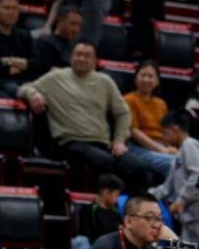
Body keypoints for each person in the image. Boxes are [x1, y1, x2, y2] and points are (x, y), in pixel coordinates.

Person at [17, 40, 152, 192]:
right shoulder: (55, 77)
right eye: (78, 54)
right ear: (71, 57)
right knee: (103, 161)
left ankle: (133, 204)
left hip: (103, 143)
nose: (82, 58)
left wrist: (119, 140)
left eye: (87, 56)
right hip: (70, 142)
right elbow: (23, 88)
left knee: (140, 167)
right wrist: (32, 93)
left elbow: (123, 113)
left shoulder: (105, 81)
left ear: (95, 61)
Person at [157, 110, 199, 244]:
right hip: (191, 214)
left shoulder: (190, 145)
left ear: (174, 129)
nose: (164, 138)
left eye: (165, 133)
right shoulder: (181, 151)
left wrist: (181, 200)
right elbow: (167, 187)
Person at [124, 60, 177, 182]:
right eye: (143, 75)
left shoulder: (161, 103)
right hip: (138, 147)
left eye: (150, 76)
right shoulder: (128, 100)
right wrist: (161, 150)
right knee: (174, 163)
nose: (146, 79)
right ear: (136, 78)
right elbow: (134, 132)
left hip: (160, 145)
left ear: (157, 81)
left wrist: (170, 148)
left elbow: (166, 131)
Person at [89, 194, 162, 249]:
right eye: (148, 217)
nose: (156, 225)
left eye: (159, 218)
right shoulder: (105, 246)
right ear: (128, 222)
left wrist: (169, 240)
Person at [74, 173, 124, 249]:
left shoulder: (116, 212)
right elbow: (84, 235)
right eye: (116, 195)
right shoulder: (88, 210)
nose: (118, 199)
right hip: (94, 248)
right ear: (106, 192)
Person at [34, 5, 82, 74]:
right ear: (60, 21)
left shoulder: (76, 46)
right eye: (72, 24)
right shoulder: (45, 43)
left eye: (79, 25)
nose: (76, 29)